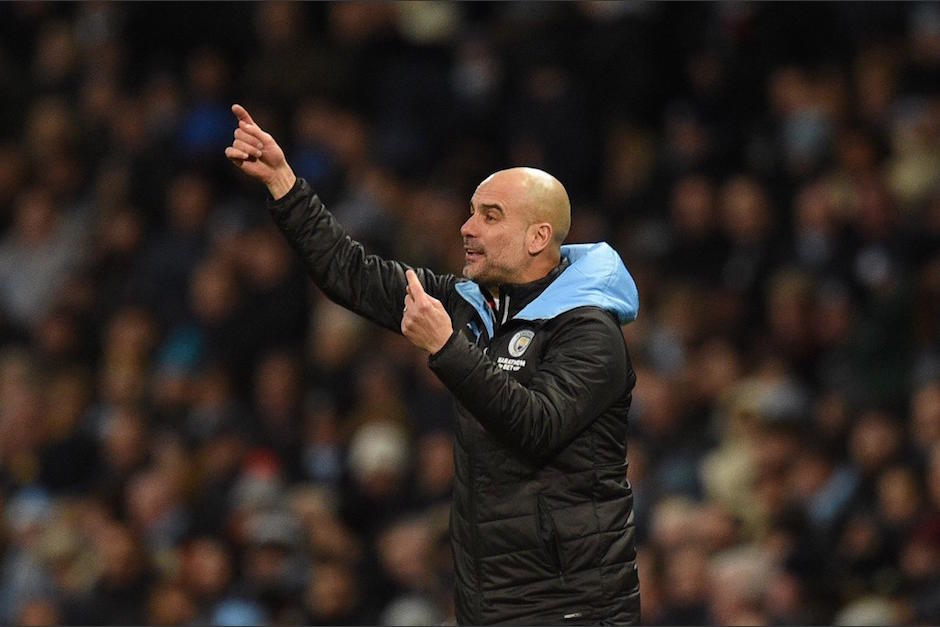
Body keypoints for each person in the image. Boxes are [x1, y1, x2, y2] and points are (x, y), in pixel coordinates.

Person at [226, 104, 641, 625]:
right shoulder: (473, 303)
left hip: (573, 606)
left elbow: (535, 427)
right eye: (471, 211)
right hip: (488, 601)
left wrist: (447, 349)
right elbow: (351, 274)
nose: (467, 227)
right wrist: (284, 183)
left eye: (490, 216)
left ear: (538, 237)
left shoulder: (590, 331)